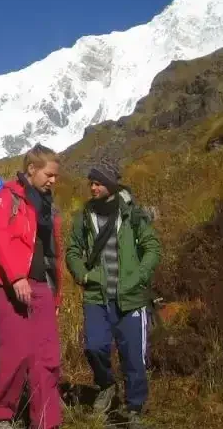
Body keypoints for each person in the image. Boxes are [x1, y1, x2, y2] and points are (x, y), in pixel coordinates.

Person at [65, 160, 161, 428]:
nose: (93, 188)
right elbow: (73, 249)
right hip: (97, 296)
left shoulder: (131, 213)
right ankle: (106, 386)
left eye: (98, 183)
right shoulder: (85, 215)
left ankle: (134, 408)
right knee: (94, 346)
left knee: (133, 356)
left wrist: (139, 277)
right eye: (91, 183)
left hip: (130, 298)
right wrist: (82, 274)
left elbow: (152, 247)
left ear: (110, 184)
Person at [0, 144, 64, 429]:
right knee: (16, 352)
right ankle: (0, 416)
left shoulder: (48, 207)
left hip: (42, 286)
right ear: (32, 169)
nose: (53, 180)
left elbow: (54, 252)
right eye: (49, 174)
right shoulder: (6, 199)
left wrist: (57, 293)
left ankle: (46, 421)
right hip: (8, 286)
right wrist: (17, 277)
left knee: (47, 358)